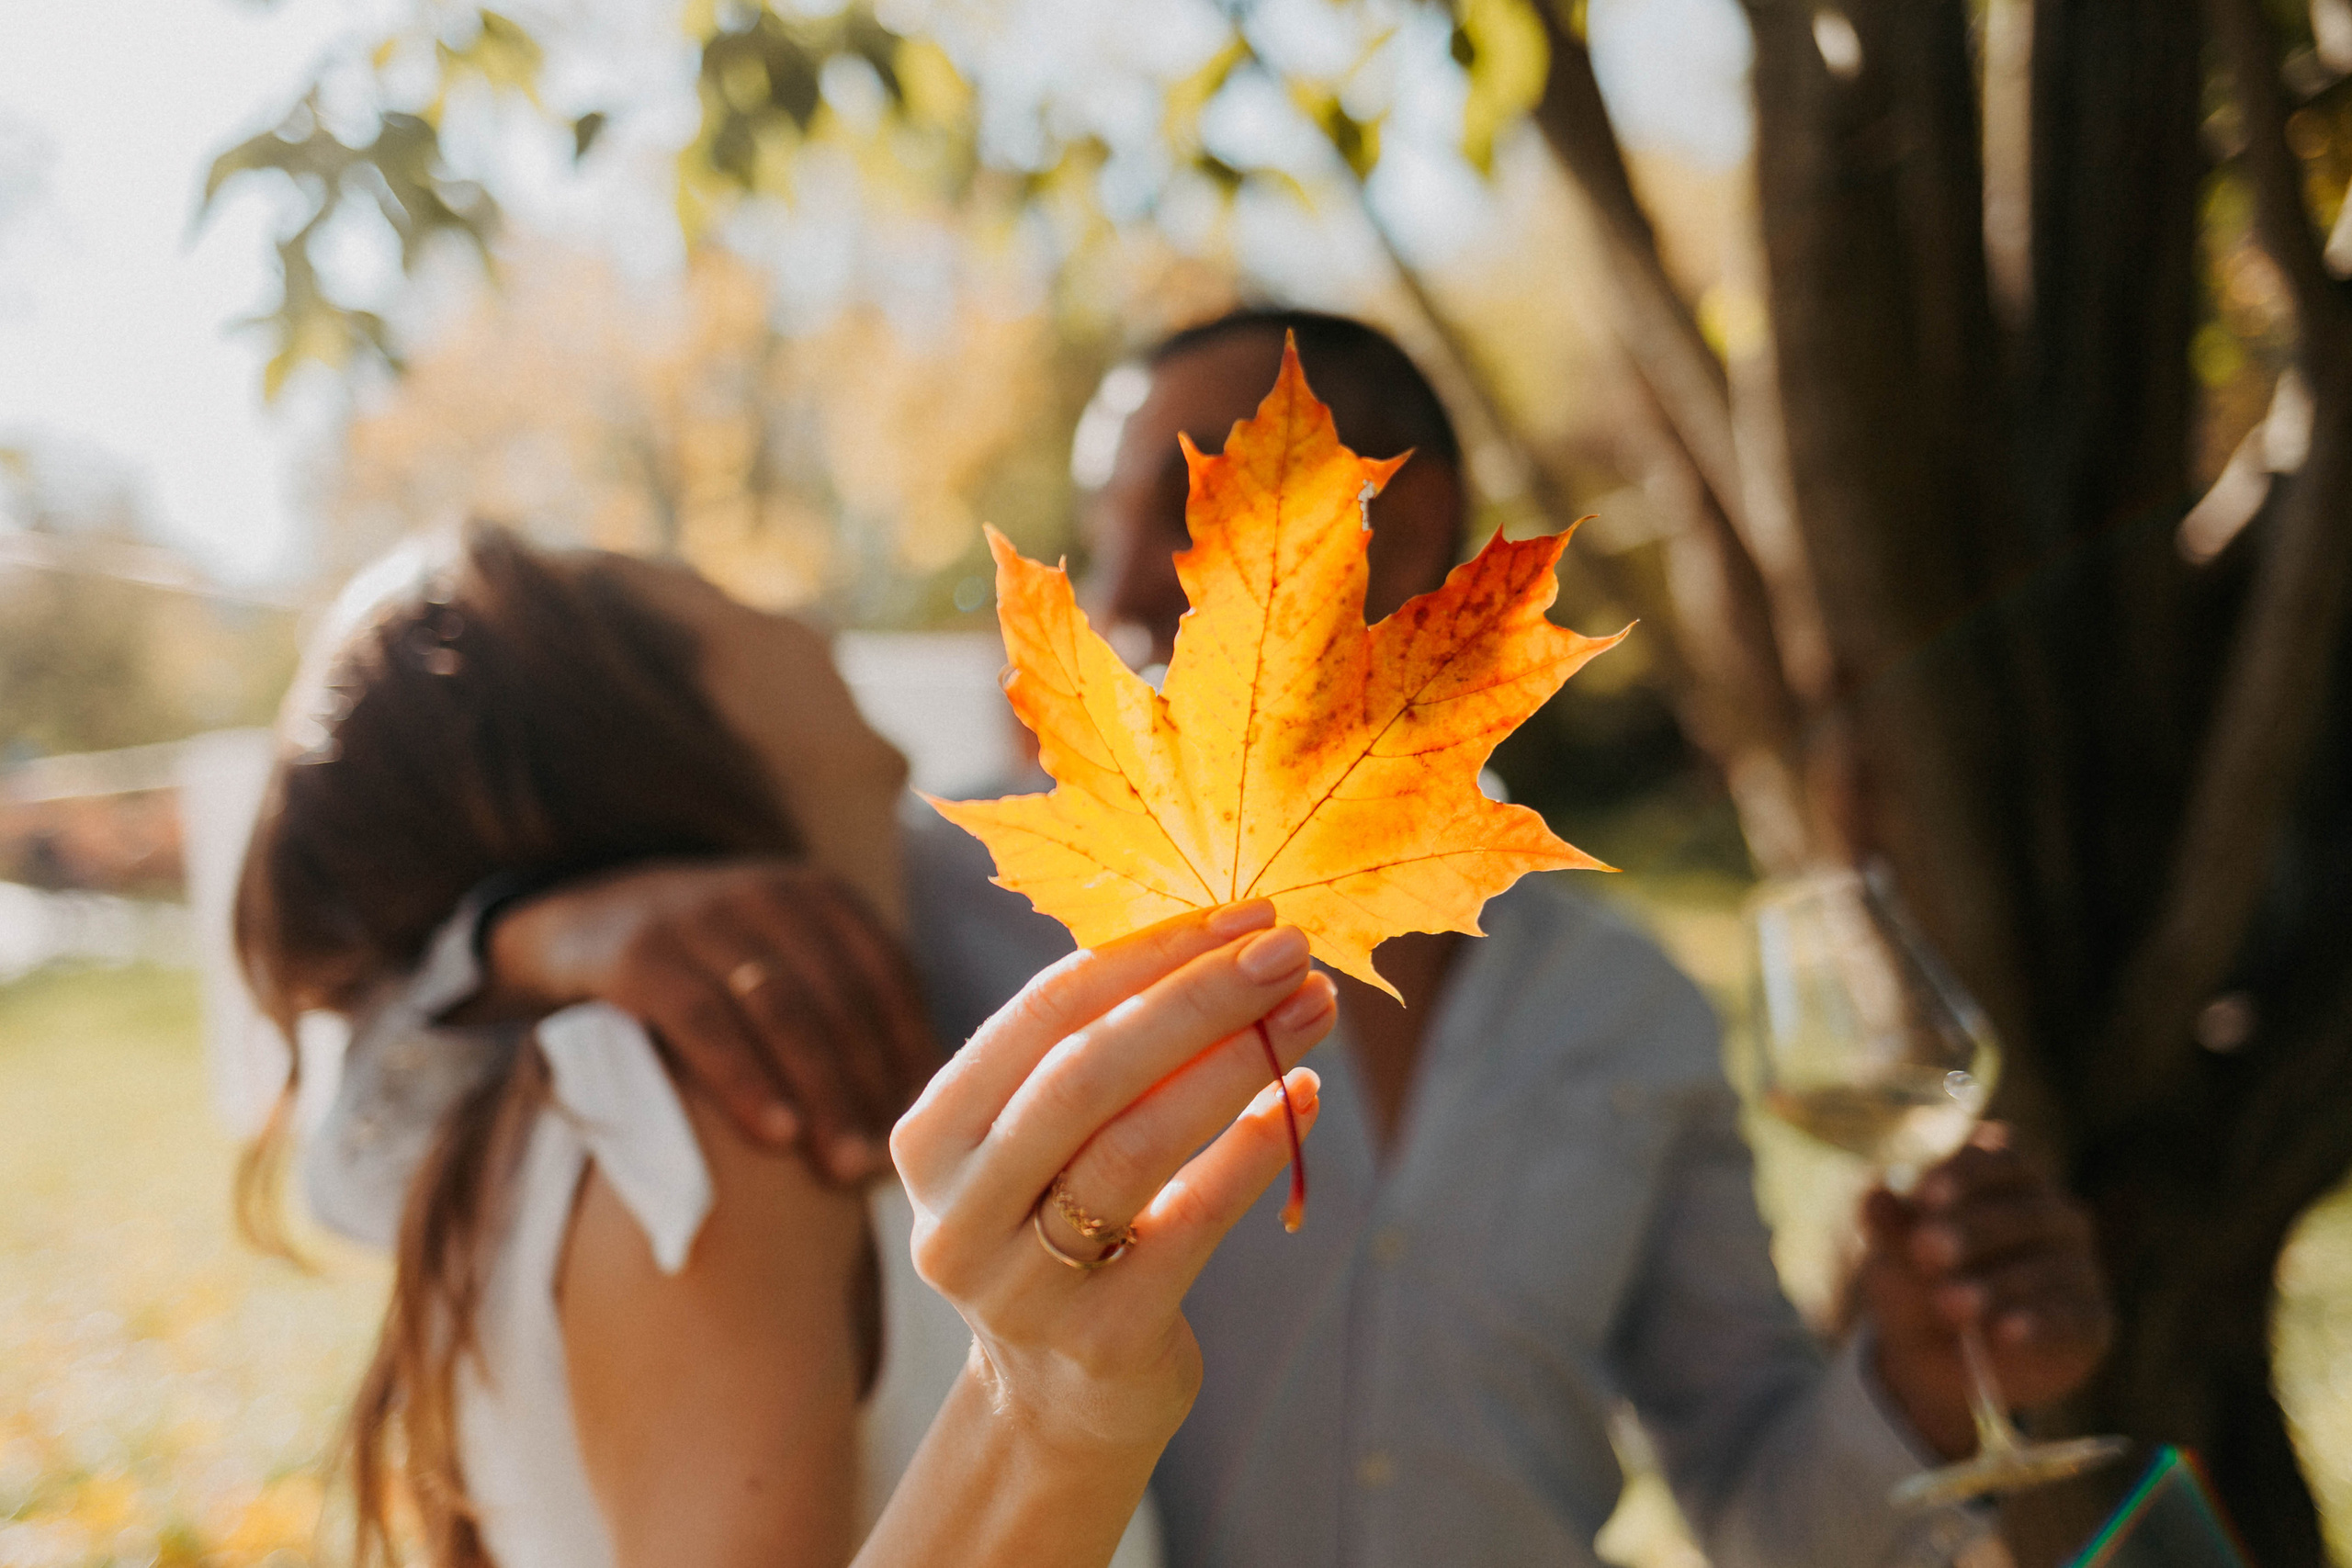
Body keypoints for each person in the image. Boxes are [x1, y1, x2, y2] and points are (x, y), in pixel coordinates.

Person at [311, 314, 2114, 1567]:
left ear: (1389, 543)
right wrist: (540, 926)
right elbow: (377, 1133)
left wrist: (1902, 1378)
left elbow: (1763, 1506)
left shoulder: (1625, 1009)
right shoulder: (944, 905)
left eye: (1156, 536)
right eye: (1083, 548)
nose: (1092, 616)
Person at [235, 530, 1340, 1568]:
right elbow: (345, 1166)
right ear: (660, 724)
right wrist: (1051, 1415)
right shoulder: (706, 1096)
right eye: (730, 597)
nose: (803, 615)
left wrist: (512, 939)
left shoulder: (919, 898)